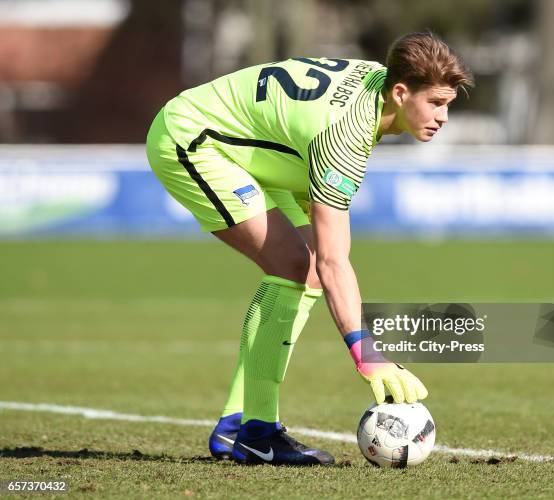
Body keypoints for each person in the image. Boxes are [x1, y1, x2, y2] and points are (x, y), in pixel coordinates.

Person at [146, 31, 473, 466]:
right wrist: (366, 355)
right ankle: (257, 432)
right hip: (195, 139)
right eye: (436, 102)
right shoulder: (344, 136)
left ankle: (236, 425)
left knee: (308, 272)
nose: (444, 116)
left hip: (261, 148)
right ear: (399, 92)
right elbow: (334, 259)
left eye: (447, 103)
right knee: (297, 266)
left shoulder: (378, 88)